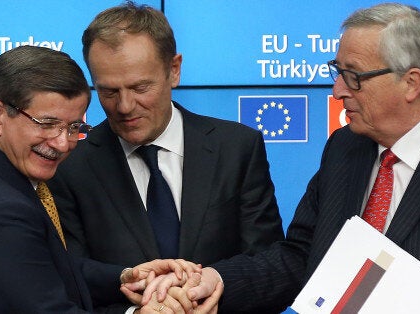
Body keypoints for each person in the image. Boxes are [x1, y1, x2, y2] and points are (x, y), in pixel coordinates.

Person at [138, 3, 420, 313]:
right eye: (337, 70)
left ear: (411, 82)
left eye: (354, 76)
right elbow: (300, 256)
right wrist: (217, 278)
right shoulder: (344, 148)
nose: (336, 91)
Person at [0, 45, 206, 313]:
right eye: (48, 124)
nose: (62, 143)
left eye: (74, 127)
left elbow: (42, 265)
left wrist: (126, 276)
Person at [47, 2, 283, 311]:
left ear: (174, 70)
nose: (125, 106)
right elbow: (69, 281)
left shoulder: (237, 147)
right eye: (109, 92)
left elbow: (270, 268)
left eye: (140, 87)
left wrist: (208, 295)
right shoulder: (69, 165)